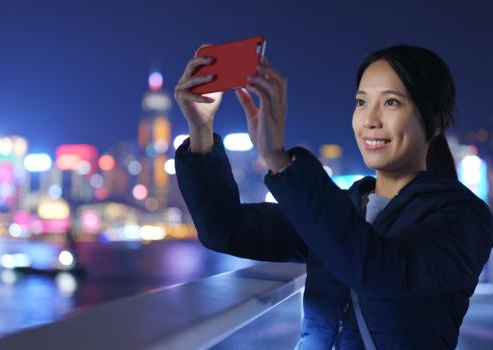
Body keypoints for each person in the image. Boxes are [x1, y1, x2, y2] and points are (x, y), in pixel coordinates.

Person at [173, 44, 493, 349]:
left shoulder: (464, 218)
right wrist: (201, 130)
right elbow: (225, 229)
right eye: (362, 102)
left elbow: (381, 272)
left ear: (436, 120)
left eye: (392, 102)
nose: (370, 120)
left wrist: (280, 160)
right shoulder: (343, 207)